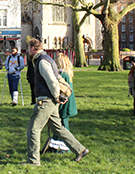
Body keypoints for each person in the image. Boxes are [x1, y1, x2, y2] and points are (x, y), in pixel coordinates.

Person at [24, 38, 89, 166]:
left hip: (46, 100)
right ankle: (80, 150)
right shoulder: (47, 59)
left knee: (33, 129)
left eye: (28, 49)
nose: (27, 51)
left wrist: (56, 96)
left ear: (32, 48)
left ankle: (33, 160)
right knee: (58, 128)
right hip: (51, 101)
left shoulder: (42, 61)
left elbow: (52, 81)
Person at [48, 54, 78, 152]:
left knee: (63, 126)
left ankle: (67, 148)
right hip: (68, 102)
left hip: (64, 102)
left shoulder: (62, 74)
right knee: (59, 125)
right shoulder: (68, 74)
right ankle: (54, 146)